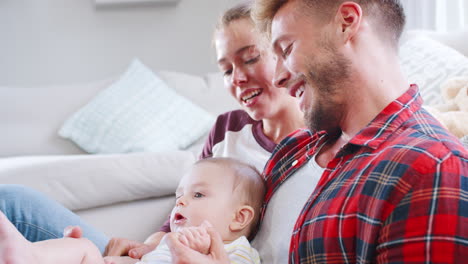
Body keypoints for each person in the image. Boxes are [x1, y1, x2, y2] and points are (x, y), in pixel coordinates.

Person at [0, 2, 306, 260]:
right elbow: (183, 205)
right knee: (12, 201)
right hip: (165, 253)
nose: (237, 78)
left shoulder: (321, 149)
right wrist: (148, 244)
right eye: (226, 69)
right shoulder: (228, 128)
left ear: (284, 52)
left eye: (250, 58)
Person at [168, 0, 468, 263]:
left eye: (286, 49)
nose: (281, 76)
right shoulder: (295, 150)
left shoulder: (435, 168)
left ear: (346, 23)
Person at [0, 157, 264, 264]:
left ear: (239, 218)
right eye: (178, 197)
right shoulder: (169, 242)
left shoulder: (238, 251)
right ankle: (29, 256)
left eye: (198, 195)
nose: (181, 203)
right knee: (82, 248)